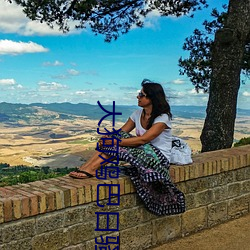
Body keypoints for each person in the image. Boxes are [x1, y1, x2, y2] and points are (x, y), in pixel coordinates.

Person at [69, 79, 185, 215]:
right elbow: (122, 132)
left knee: (116, 142)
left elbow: (144, 139)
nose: (138, 97)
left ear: (152, 98)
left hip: (158, 158)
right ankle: (87, 167)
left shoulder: (162, 117)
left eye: (142, 95)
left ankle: (91, 168)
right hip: (142, 151)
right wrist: (108, 138)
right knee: (113, 139)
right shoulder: (137, 114)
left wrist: (115, 142)